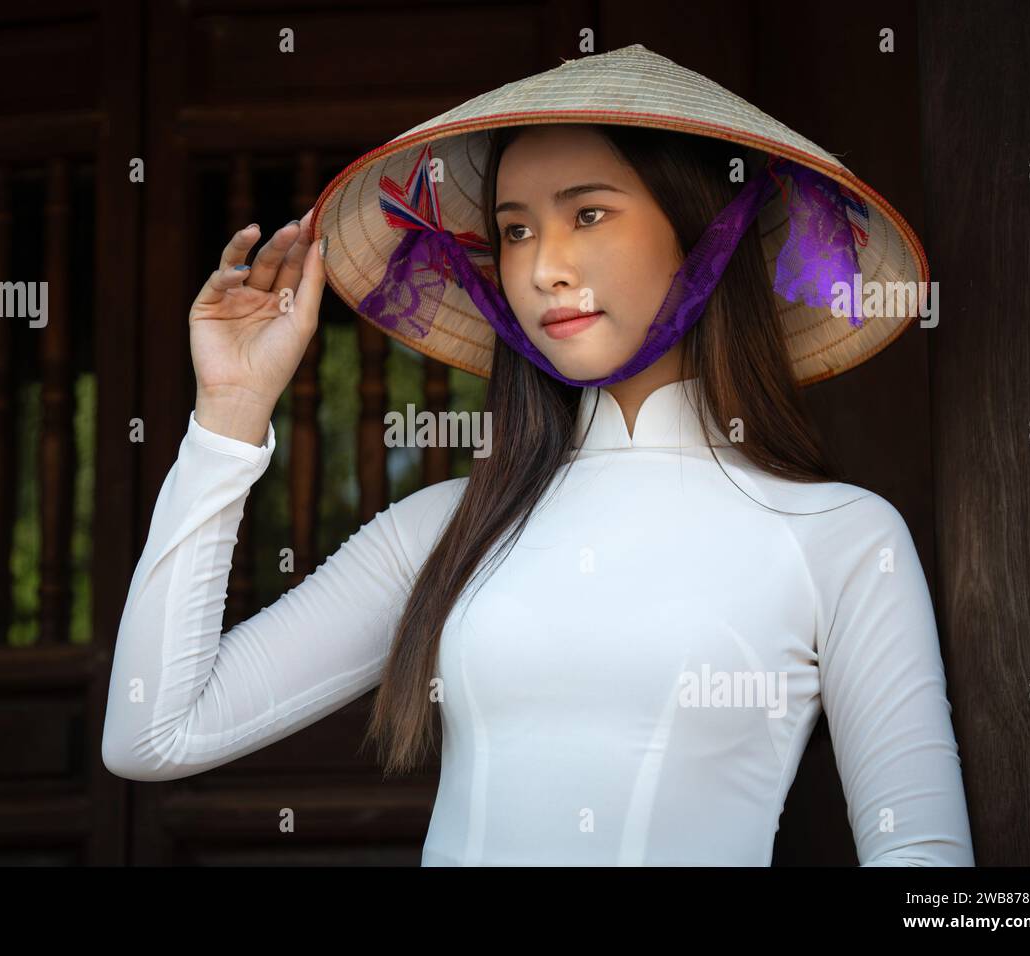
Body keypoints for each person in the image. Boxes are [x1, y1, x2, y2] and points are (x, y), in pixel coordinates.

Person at [102, 45, 974, 866]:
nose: (544, 268)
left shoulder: (840, 538)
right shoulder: (449, 527)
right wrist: (230, 410)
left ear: (707, 230)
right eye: (515, 232)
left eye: (587, 214)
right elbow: (151, 735)